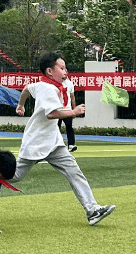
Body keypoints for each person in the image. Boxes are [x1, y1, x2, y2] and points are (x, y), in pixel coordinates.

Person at [15, 52, 115, 225]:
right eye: (61, 68)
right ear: (49, 71)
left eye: (65, 68)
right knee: (13, 176)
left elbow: (25, 90)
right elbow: (53, 114)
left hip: (53, 142)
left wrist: (20, 105)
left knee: (74, 171)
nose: (65, 71)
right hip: (36, 142)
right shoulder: (47, 88)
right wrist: (74, 112)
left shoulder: (42, 84)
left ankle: (92, 210)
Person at [57, 73, 78, 152]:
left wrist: (74, 109)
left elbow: (72, 97)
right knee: (56, 128)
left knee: (69, 127)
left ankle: (71, 145)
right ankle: (58, 145)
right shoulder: (56, 83)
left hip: (67, 110)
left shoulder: (70, 83)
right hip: (58, 110)